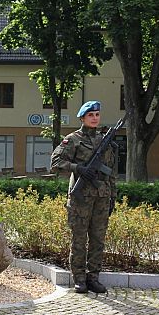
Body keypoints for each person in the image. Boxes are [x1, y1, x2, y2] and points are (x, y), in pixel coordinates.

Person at [50, 101, 117, 294]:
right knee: (79, 239)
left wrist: (113, 196)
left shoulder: (105, 141)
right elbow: (56, 161)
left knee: (98, 239)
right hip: (80, 199)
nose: (95, 118)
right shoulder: (73, 139)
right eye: (91, 115)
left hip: (101, 197)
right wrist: (77, 168)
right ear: (82, 118)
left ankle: (93, 278)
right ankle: (79, 278)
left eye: (97, 114)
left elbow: (111, 172)